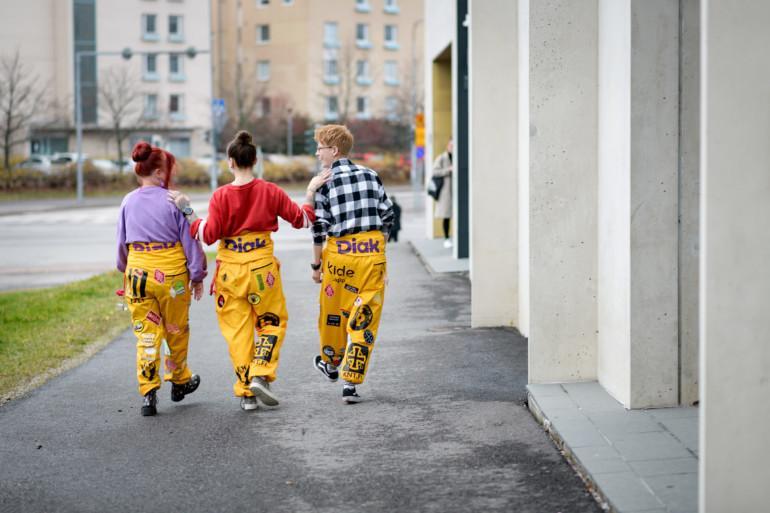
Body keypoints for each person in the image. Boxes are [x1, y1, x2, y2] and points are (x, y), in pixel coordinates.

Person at [169, 131, 330, 412]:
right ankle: (260, 372)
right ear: (255, 160)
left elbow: (206, 235)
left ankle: (246, 393)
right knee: (271, 322)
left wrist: (186, 210)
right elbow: (302, 220)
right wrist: (309, 193)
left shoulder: (220, 196)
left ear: (230, 162)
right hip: (262, 269)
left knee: (237, 332)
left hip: (230, 271)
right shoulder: (270, 191)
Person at [116, 142, 206, 417]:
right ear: (158, 172)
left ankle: (148, 393)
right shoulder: (173, 201)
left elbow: (122, 243)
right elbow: (190, 240)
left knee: (146, 334)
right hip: (171, 277)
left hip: (139, 274)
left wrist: (124, 269)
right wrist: (197, 273)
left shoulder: (128, 201)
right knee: (176, 330)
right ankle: (179, 381)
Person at [310, 124, 394, 404]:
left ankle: (331, 363)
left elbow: (319, 226)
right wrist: (381, 257)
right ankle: (350, 383)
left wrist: (316, 265)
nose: (317, 152)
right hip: (372, 255)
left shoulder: (324, 181)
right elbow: (387, 216)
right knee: (364, 319)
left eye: (320, 147)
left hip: (340, 257)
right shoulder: (371, 175)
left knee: (333, 315)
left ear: (333, 150)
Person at [431, 139, 453, 248]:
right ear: (447, 145)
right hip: (446, 192)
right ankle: (446, 238)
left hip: (455, 191)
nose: (452, 147)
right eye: (450, 145)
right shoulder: (442, 158)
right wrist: (448, 170)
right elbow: (435, 172)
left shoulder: (458, 156)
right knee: (446, 216)